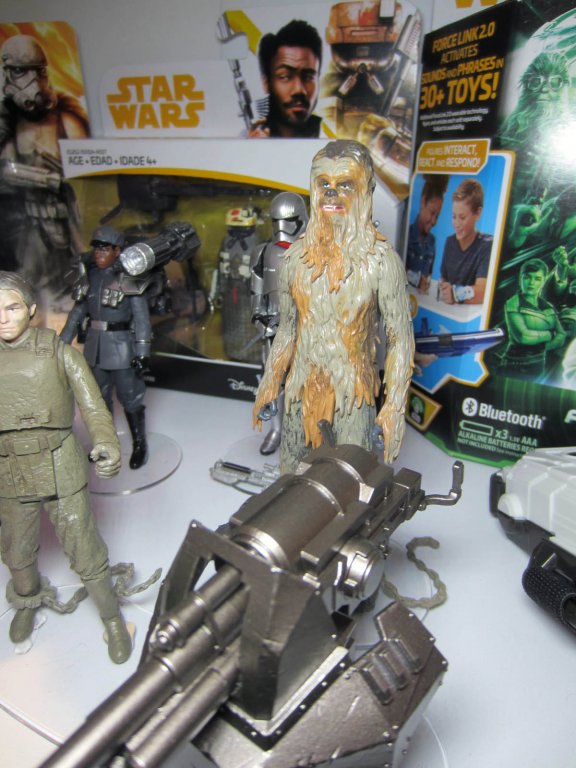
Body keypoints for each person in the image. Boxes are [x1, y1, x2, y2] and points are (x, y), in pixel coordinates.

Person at [253, 140, 414, 473]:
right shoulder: (295, 259)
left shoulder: (382, 262)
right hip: (300, 390)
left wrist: (393, 407)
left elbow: (400, 340)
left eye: (345, 185)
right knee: (291, 477)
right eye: (323, 183)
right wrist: (270, 382)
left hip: (353, 394)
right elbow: (288, 329)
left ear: (366, 191)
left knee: (351, 481)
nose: (331, 193)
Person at [0, 271, 132, 663]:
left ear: (31, 310)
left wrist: (106, 442)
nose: (3, 318)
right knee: (17, 551)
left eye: (12, 307)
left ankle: (111, 617)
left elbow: (93, 404)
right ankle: (27, 601)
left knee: (84, 546)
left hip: (59, 463)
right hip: (9, 467)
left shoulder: (58, 353)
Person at [0, 34, 89, 294]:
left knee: (76, 290)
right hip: (26, 229)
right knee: (25, 293)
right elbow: (5, 173)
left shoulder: (66, 119)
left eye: (38, 72)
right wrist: (46, 179)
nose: (32, 81)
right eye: (20, 72)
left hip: (66, 225)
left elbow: (87, 180)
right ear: (8, 74)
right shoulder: (8, 123)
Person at [60, 226, 152, 469]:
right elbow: (77, 314)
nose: (99, 253)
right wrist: (61, 344)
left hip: (122, 350)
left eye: (105, 248)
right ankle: (106, 444)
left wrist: (143, 352)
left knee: (130, 398)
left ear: (117, 251)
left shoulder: (129, 279)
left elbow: (142, 319)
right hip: (95, 349)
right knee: (98, 401)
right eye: (97, 248)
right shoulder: (90, 277)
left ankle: (140, 445)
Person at [250, 191, 309, 454]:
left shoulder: (315, 252)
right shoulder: (263, 252)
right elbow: (256, 293)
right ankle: (276, 430)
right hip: (274, 328)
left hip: (307, 331)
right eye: (276, 222)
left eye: (289, 221)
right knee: (273, 383)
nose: (282, 228)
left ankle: (304, 435)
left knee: (309, 384)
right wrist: (260, 320)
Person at [249, 19, 323, 138]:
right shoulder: (248, 138)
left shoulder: (331, 136)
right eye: (285, 77)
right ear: (266, 83)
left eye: (308, 77)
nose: (298, 89)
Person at [500, 258, 566, 379]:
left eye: (537, 279)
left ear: (544, 281)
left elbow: (561, 335)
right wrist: (549, 334)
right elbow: (523, 336)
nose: (531, 283)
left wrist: (543, 347)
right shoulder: (514, 302)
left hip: (539, 364)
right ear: (520, 279)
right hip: (514, 365)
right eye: (527, 277)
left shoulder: (548, 306)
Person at [438, 178, 492, 305]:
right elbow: (443, 279)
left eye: (462, 217)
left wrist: (455, 294)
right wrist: (443, 288)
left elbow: (483, 292)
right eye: (454, 216)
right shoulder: (449, 242)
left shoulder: (486, 245)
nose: (456, 224)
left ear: (478, 213)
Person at [405, 175, 448, 294]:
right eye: (432, 213)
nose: (434, 221)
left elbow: (429, 277)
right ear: (423, 202)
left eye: (437, 216)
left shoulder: (432, 242)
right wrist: (417, 280)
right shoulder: (406, 234)